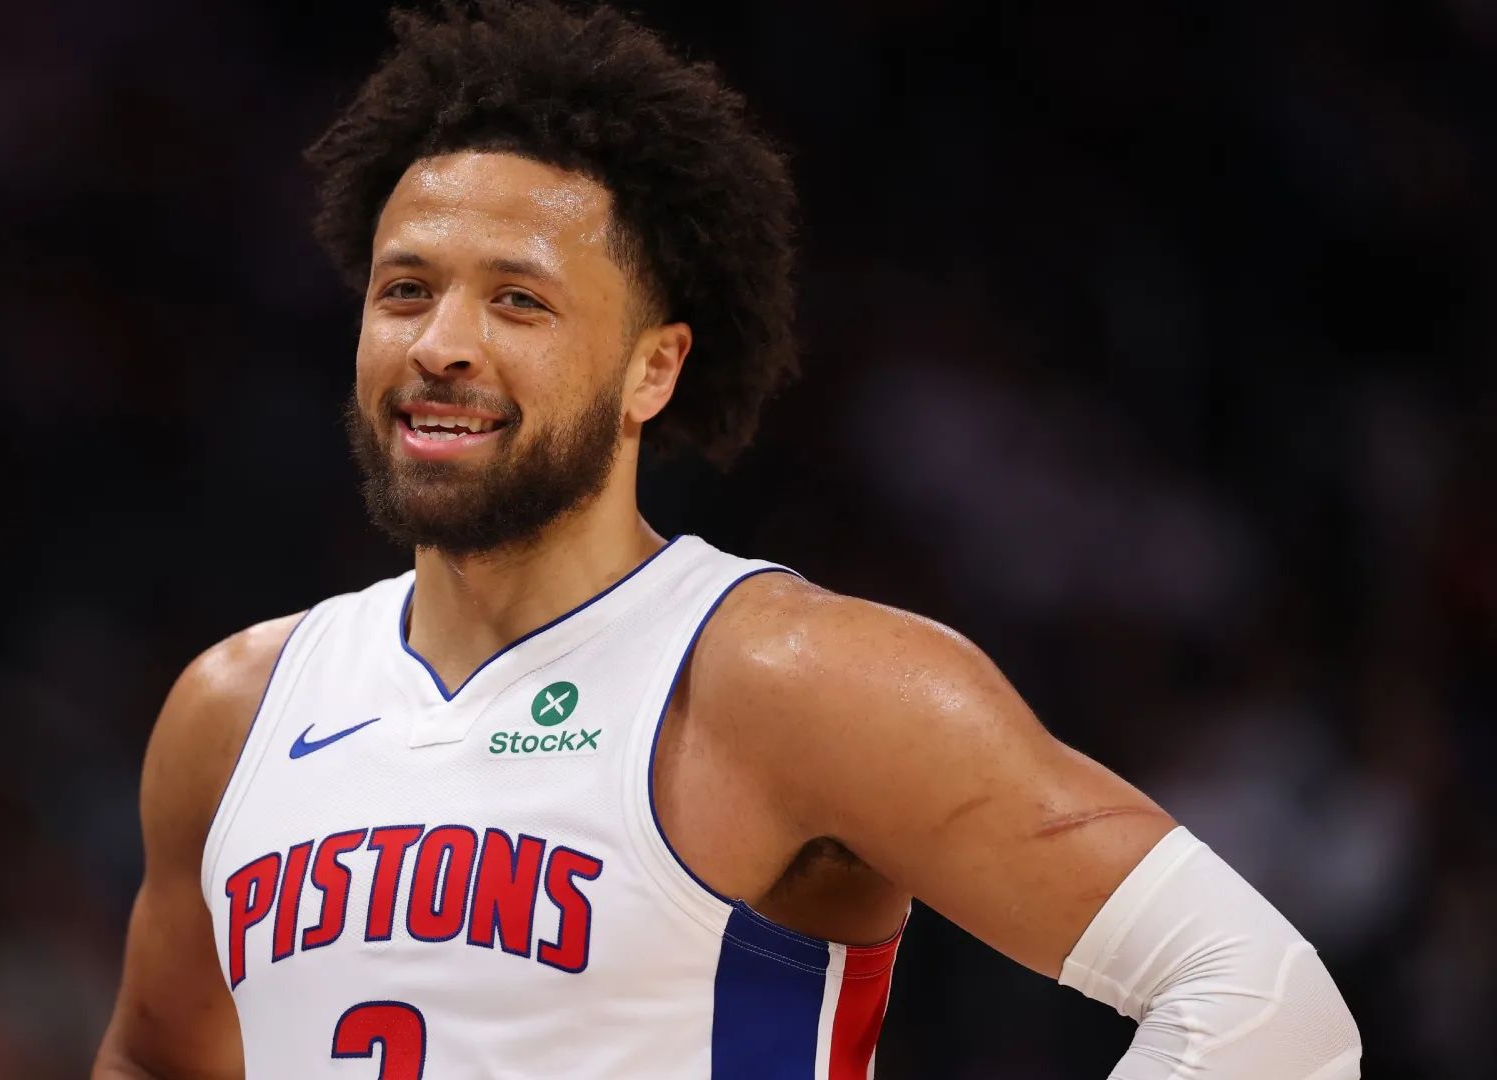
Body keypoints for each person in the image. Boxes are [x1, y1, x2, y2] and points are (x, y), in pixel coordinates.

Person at [93, 3, 1363, 1077]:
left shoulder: (795, 683)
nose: (441, 345)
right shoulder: (233, 711)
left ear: (653, 371)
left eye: (519, 300)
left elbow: (1263, 1003)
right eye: (406, 290)